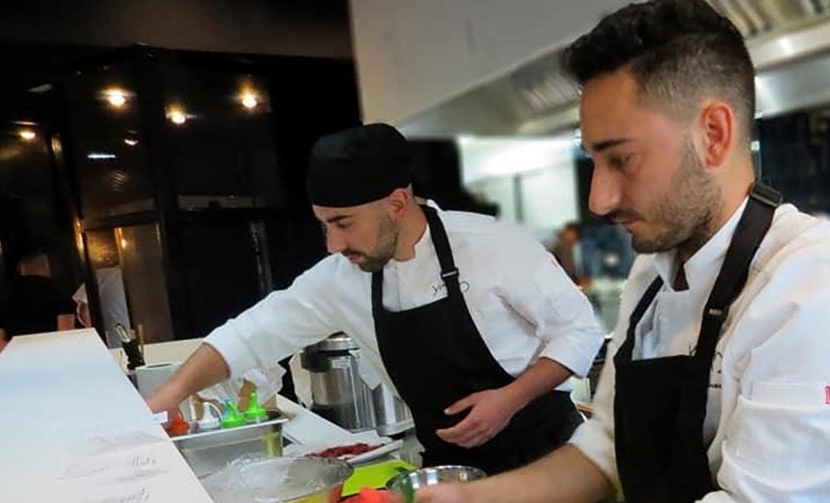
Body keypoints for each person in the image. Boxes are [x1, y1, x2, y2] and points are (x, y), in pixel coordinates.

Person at [408, 2, 830, 503]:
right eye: (593, 163)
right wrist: (484, 500)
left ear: (713, 134)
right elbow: (610, 447)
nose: (599, 199)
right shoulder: (654, 273)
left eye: (621, 159)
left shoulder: (819, 291)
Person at [147, 123, 606, 482]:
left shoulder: (491, 244)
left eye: (343, 223)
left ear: (397, 203)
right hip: (452, 473)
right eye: (324, 225)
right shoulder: (341, 279)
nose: (332, 244)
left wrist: (509, 400)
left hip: (551, 459)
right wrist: (166, 398)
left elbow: (580, 330)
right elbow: (250, 335)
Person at [0, 250, 76, 354]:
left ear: (20, 267)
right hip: (52, 355)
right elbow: (66, 332)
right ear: (46, 265)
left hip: (14, 360)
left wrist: (16, 356)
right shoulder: (58, 291)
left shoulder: (2, 293)